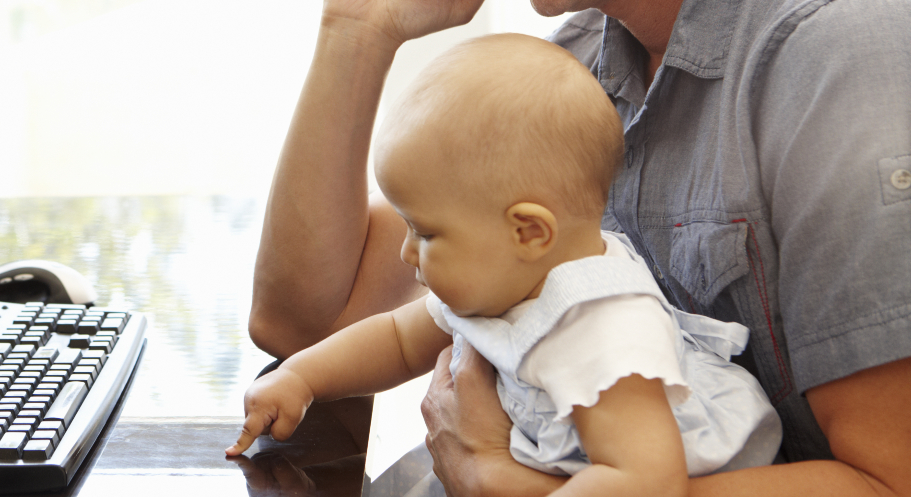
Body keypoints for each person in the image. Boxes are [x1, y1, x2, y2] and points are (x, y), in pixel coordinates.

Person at [247, 0, 911, 494]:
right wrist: (356, 33)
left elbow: (890, 479)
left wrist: (500, 481)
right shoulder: (583, 59)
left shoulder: (848, 56)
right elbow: (304, 320)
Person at [228, 35, 782, 493]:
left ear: (528, 231)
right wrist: (301, 377)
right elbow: (398, 339)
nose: (406, 252)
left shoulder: (604, 334)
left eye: (425, 232)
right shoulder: (506, 278)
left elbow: (647, 481)